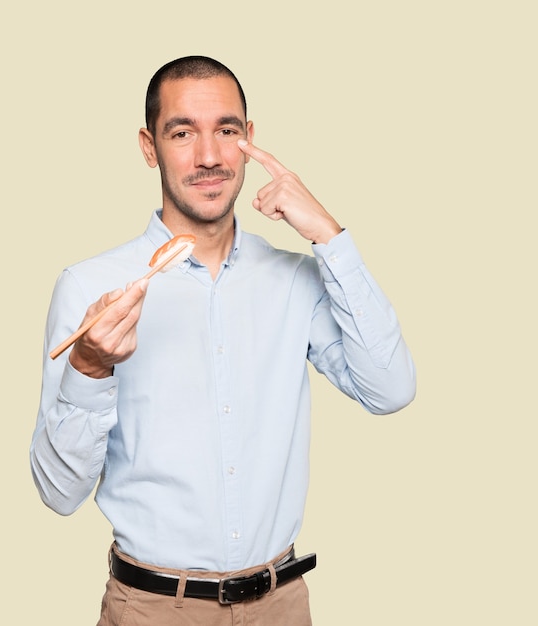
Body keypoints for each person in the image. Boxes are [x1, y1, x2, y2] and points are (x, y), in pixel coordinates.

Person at [30, 55, 416, 626]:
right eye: (181, 133)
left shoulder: (296, 278)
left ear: (249, 140)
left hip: (281, 605)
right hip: (152, 609)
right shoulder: (90, 288)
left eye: (226, 131)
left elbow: (390, 389)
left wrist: (329, 237)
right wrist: (88, 368)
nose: (208, 157)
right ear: (148, 146)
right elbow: (58, 493)